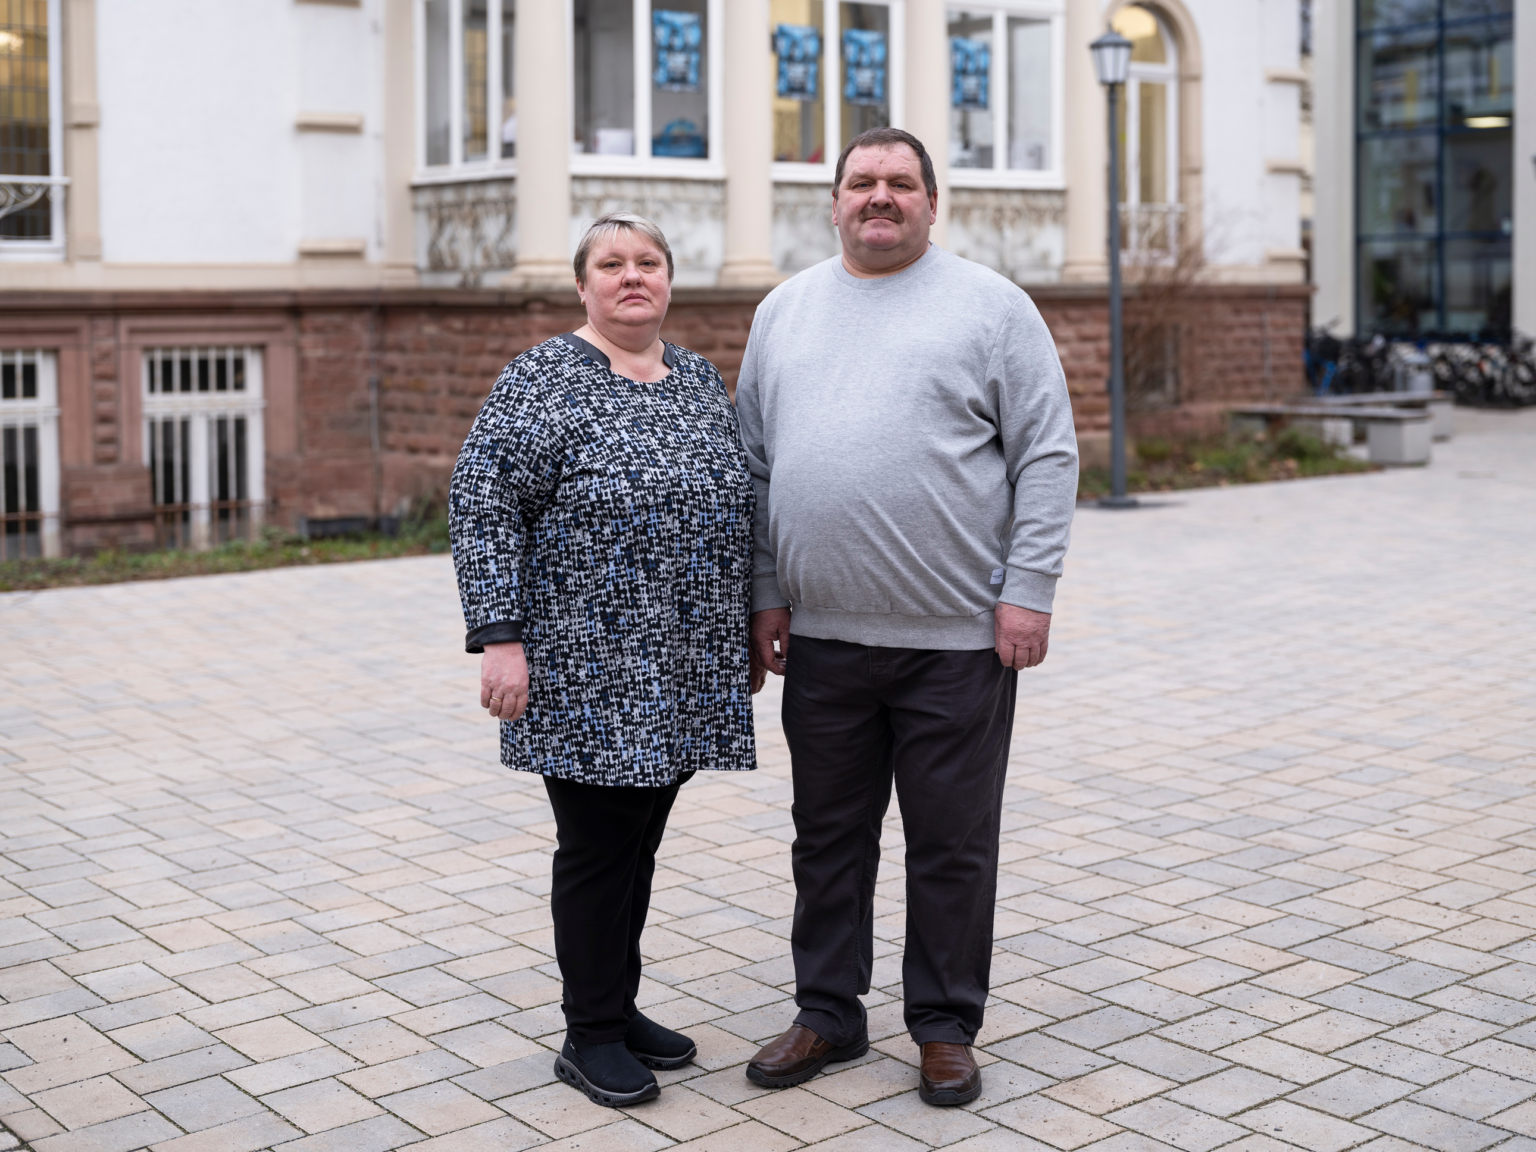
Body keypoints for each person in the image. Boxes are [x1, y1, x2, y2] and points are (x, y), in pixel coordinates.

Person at [735, 128, 1078, 1106]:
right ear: (833, 200)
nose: (878, 197)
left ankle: (942, 1023)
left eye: (899, 183)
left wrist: (1030, 591)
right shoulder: (784, 310)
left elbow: (1046, 456)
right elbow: (755, 466)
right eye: (861, 182)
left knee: (950, 842)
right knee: (827, 837)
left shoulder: (992, 308)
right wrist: (765, 591)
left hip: (957, 642)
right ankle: (828, 1014)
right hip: (826, 640)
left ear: (934, 202)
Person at [448, 212, 761, 1108]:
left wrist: (735, 628)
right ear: (582, 285)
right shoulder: (542, 379)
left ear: (669, 279)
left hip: (678, 659)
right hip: (582, 666)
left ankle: (616, 1009)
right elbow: (482, 506)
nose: (633, 277)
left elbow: (732, 505)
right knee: (595, 848)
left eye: (649, 262)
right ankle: (587, 1034)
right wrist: (499, 637)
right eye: (612, 264)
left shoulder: (696, 376)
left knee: (639, 843)